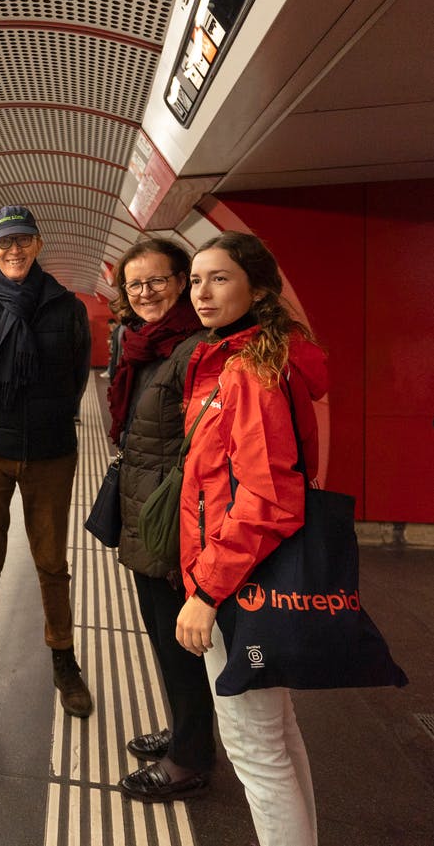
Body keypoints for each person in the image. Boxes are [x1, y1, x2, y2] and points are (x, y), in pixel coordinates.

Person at [175, 231, 327, 845]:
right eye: (195, 280)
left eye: (219, 278)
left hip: (240, 580)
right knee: (277, 737)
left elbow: (269, 498)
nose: (202, 293)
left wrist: (206, 593)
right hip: (244, 571)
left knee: (255, 750)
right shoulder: (253, 359)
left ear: (258, 288)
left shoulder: (249, 373)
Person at [0, 204, 92, 733]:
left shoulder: (67, 308)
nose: (13, 249)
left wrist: (48, 416)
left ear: (38, 245)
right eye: (3, 241)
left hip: (50, 453)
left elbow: (78, 376)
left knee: (52, 562)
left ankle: (63, 659)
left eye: (23, 240)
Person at [100, 241, 214, 803]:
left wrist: (187, 534)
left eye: (157, 281)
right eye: (134, 285)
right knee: (166, 640)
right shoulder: (145, 346)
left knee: (180, 647)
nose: (145, 293)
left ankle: (189, 760)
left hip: (174, 523)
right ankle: (186, 731)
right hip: (149, 512)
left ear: (182, 280)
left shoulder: (195, 350)